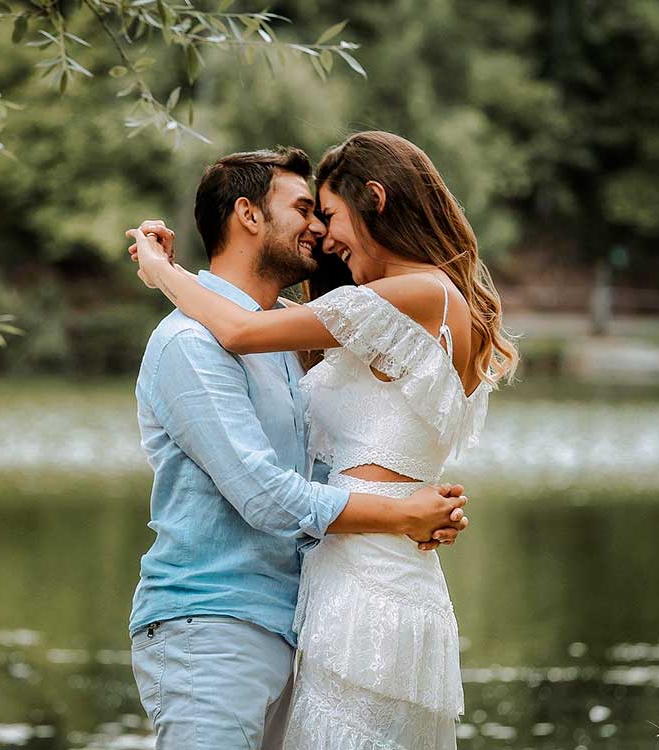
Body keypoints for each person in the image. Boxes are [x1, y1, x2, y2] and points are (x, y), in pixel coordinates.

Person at [128, 131, 519, 749]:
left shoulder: (402, 298)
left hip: (345, 592)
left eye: (327, 213)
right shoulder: (203, 342)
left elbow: (238, 332)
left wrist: (160, 272)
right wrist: (400, 513)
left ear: (376, 201)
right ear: (248, 214)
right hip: (235, 613)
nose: (321, 232)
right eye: (306, 211)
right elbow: (274, 483)